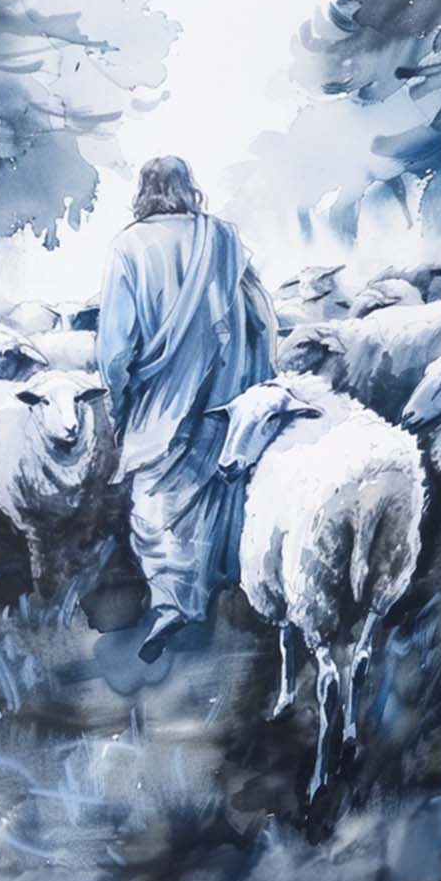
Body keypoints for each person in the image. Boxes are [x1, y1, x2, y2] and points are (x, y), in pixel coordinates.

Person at [96, 157, 275, 661]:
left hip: (158, 399)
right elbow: (259, 313)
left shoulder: (128, 246)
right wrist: (256, 372)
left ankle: (173, 602)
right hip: (223, 390)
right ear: (189, 188)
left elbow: (115, 345)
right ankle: (225, 591)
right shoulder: (222, 238)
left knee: (156, 500)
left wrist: (118, 397)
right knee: (215, 490)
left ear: (143, 191)